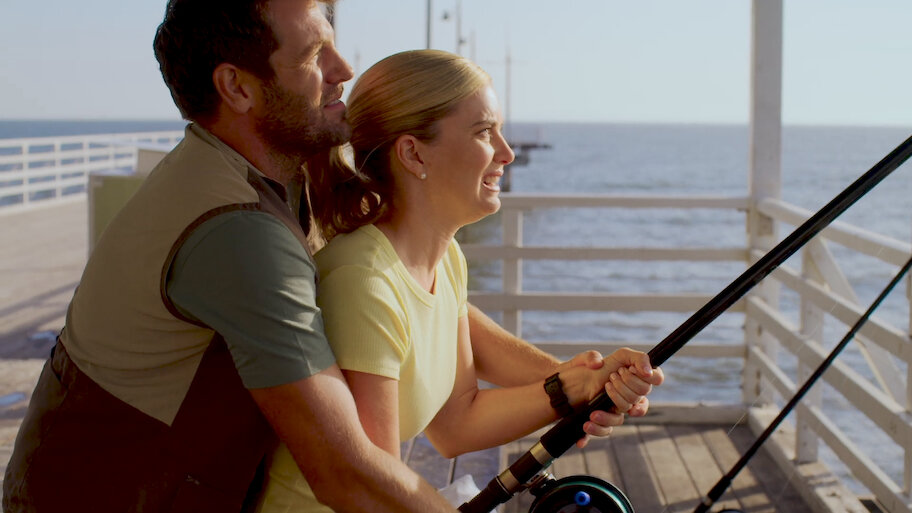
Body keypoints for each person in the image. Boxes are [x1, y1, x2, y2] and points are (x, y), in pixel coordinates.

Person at [4, 2, 452, 512]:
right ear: (237, 87)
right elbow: (343, 472)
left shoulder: (271, 173)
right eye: (313, 55)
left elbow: (430, 301)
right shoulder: (236, 230)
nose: (343, 69)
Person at [255, 49, 665, 512]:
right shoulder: (363, 282)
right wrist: (572, 387)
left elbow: (456, 423)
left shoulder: (445, 259)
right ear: (413, 153)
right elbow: (372, 491)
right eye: (484, 132)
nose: (507, 153)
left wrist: (580, 388)